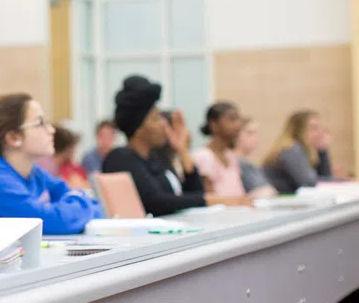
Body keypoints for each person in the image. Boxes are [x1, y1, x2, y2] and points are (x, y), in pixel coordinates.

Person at [0, 93, 102, 234]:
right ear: (14, 137)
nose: (51, 130)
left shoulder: (34, 172)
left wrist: (78, 203)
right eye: (40, 123)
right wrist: (81, 201)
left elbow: (95, 208)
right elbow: (49, 223)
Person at [102, 75, 251, 217]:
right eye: (156, 119)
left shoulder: (158, 159)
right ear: (139, 129)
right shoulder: (120, 158)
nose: (164, 124)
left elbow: (194, 193)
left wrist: (183, 151)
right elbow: (157, 202)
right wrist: (214, 200)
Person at [262, 110, 332, 194]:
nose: (319, 133)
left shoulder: (301, 149)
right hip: (278, 200)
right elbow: (309, 183)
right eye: (314, 128)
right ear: (299, 130)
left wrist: (322, 151)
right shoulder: (291, 149)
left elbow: (323, 177)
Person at [191, 102, 246, 197]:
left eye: (238, 119)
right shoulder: (203, 156)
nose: (238, 125)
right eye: (232, 119)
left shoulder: (230, 155)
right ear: (214, 125)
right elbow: (209, 198)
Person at [234, 117, 277, 197]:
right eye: (250, 133)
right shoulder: (237, 163)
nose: (255, 138)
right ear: (235, 135)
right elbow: (263, 192)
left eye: (256, 134)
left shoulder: (247, 163)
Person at [52, 125, 90, 190]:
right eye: (72, 146)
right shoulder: (51, 166)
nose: (75, 150)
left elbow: (87, 185)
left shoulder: (75, 167)